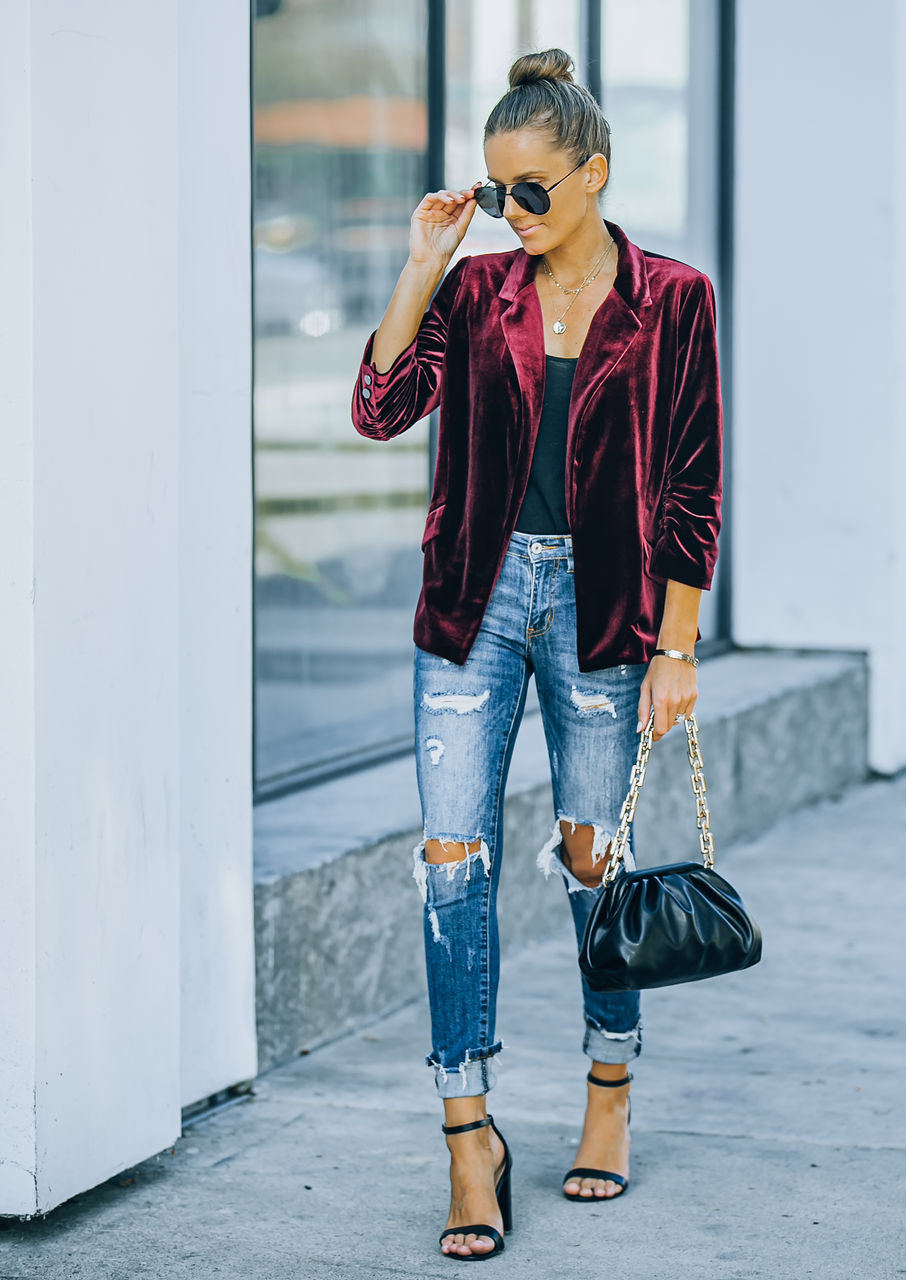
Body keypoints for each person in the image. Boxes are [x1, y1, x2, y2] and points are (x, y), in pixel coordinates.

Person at [351, 46, 723, 1262]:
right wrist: (422, 265)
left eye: (531, 190)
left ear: (593, 175)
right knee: (451, 859)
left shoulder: (674, 298)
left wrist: (676, 642)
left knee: (587, 854)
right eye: (496, 187)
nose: (510, 211)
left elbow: (690, 484)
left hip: (605, 609)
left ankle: (607, 1091)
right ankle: (469, 1132)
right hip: (476, 598)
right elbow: (379, 405)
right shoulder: (475, 294)